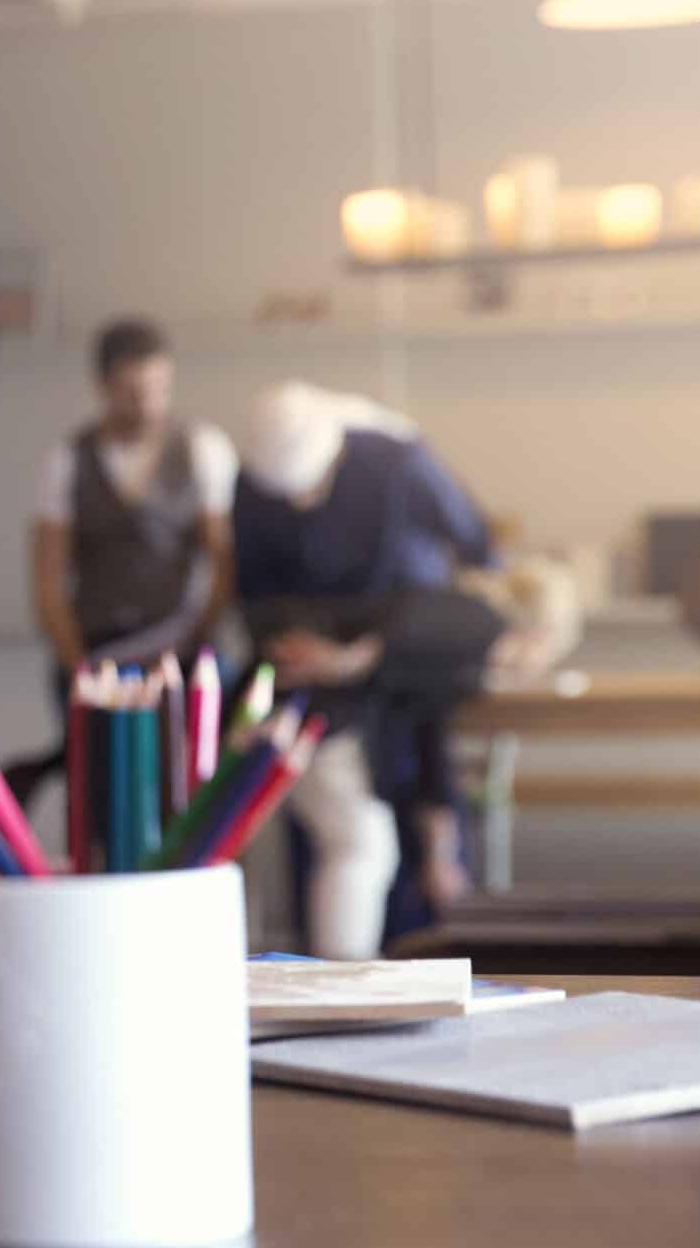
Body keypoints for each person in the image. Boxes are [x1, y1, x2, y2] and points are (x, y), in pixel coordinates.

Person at [231, 382, 497, 958]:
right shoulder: (251, 485)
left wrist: (367, 655)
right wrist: (296, 650)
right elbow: (250, 595)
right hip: (318, 695)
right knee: (349, 844)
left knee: (392, 842)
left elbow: (479, 550)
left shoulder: (400, 461)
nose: (300, 510)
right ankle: (338, 984)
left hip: (397, 670)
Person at [29, 319, 237, 685]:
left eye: (160, 388)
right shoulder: (65, 462)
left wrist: (194, 641)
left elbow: (221, 562)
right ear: (102, 387)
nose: (148, 404)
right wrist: (78, 667)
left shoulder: (204, 449)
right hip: (97, 649)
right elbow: (48, 581)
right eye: (133, 392)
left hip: (182, 647)